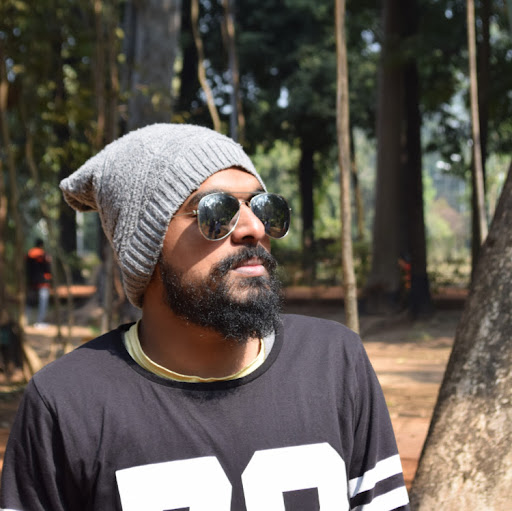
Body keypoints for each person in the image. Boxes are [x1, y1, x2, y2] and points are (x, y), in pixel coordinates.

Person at [0, 124, 410, 511]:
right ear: (146, 247)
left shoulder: (333, 361)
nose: (253, 227)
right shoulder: (68, 402)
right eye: (216, 211)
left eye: (262, 207)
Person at [25, 238, 52, 327]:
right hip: (43, 282)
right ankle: (40, 322)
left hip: (32, 282)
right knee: (43, 302)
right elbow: (48, 268)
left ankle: (25, 320)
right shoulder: (44, 255)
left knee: (29, 301)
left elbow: (26, 268)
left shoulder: (29, 254)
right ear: (42, 245)